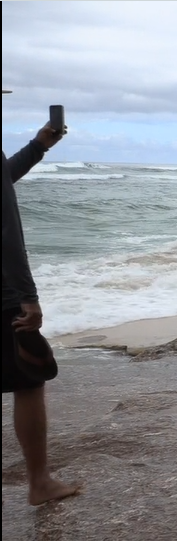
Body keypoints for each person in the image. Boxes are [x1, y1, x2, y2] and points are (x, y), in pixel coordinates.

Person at [2, 88, 80, 505]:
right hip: (4, 293)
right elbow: (5, 228)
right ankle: (39, 483)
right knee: (29, 381)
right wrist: (26, 296)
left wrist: (36, 148)